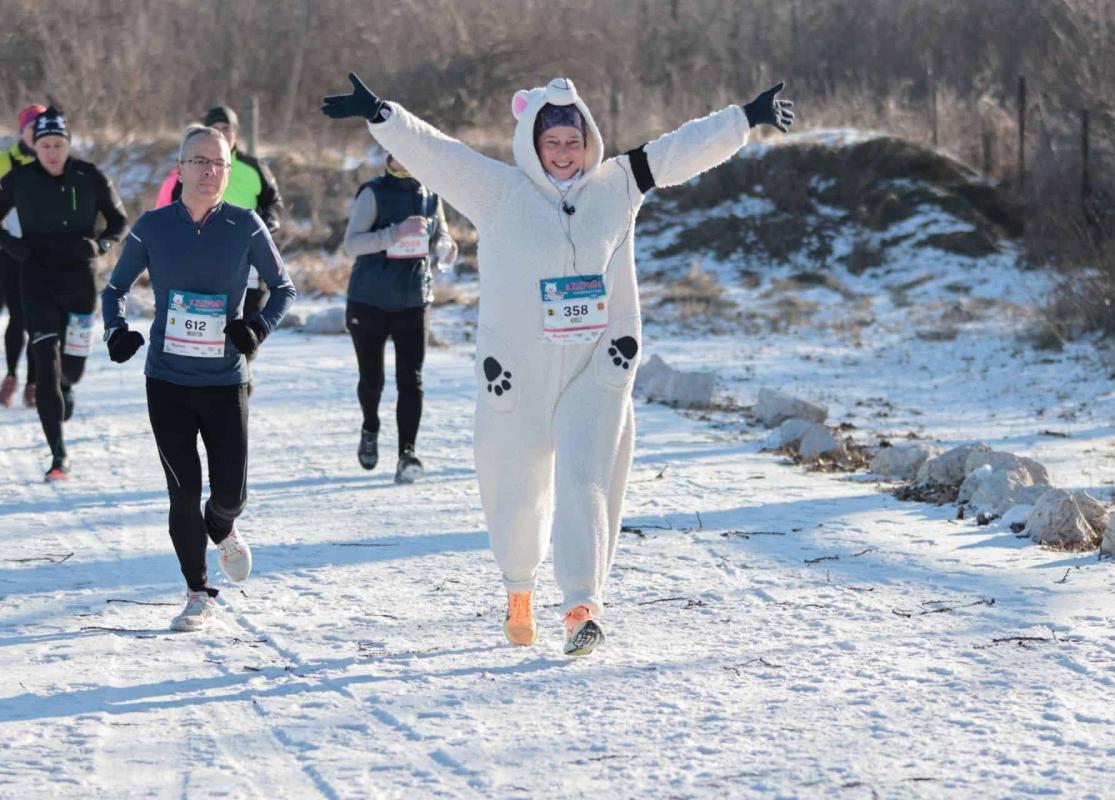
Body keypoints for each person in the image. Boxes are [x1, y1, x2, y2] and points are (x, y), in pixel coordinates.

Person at [322, 74, 792, 655]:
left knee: (585, 479)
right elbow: (440, 156)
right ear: (533, 144)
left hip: (597, 364)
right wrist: (383, 115)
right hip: (515, 370)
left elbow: (679, 148)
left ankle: (580, 606)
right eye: (553, 143)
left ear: (588, 138)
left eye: (573, 140)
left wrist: (744, 118)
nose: (564, 152)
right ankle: (519, 590)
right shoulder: (499, 192)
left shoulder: (620, 182)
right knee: (514, 485)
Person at [101, 124, 295, 632]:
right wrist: (115, 332)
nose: (209, 172)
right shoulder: (152, 226)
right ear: (180, 169)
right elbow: (113, 289)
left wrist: (257, 327)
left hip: (226, 380)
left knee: (230, 493)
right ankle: (197, 591)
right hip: (166, 379)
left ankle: (223, 526)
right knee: (182, 491)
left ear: (229, 172)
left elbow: (284, 288)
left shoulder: (246, 225)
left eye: (219, 164)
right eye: (199, 162)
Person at [0, 106, 128, 480]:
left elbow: (119, 222)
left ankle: (68, 384)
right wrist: (13, 246)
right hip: (36, 276)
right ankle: (59, 455)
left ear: (68, 145)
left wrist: (102, 247)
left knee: (71, 367)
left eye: (58, 144)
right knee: (44, 362)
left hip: (79, 281)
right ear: (35, 148)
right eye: (45, 145)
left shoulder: (90, 176)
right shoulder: (18, 179)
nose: (52, 152)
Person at [341, 153, 457, 482]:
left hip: (414, 299)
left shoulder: (431, 193)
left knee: (412, 380)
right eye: (398, 151)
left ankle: (407, 454)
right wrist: (394, 233)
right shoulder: (373, 193)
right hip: (369, 301)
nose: (405, 157)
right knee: (372, 380)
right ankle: (370, 426)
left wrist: (446, 248)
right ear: (389, 155)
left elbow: (441, 236)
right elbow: (351, 244)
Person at [154, 105, 284, 392]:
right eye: (217, 129)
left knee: (247, 326)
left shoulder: (254, 167)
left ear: (236, 134)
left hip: (249, 260)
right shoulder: (189, 172)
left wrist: (267, 226)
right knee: (209, 324)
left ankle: (242, 370)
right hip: (204, 261)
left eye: (228, 129)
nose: (223, 134)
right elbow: (170, 213)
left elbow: (274, 203)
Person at [0, 104, 44, 408]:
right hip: (10, 250)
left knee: (37, 317)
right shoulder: (4, 162)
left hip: (43, 253)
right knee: (18, 315)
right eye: (33, 128)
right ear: (22, 131)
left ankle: (32, 382)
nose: (39, 134)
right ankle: (12, 375)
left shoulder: (53, 161)